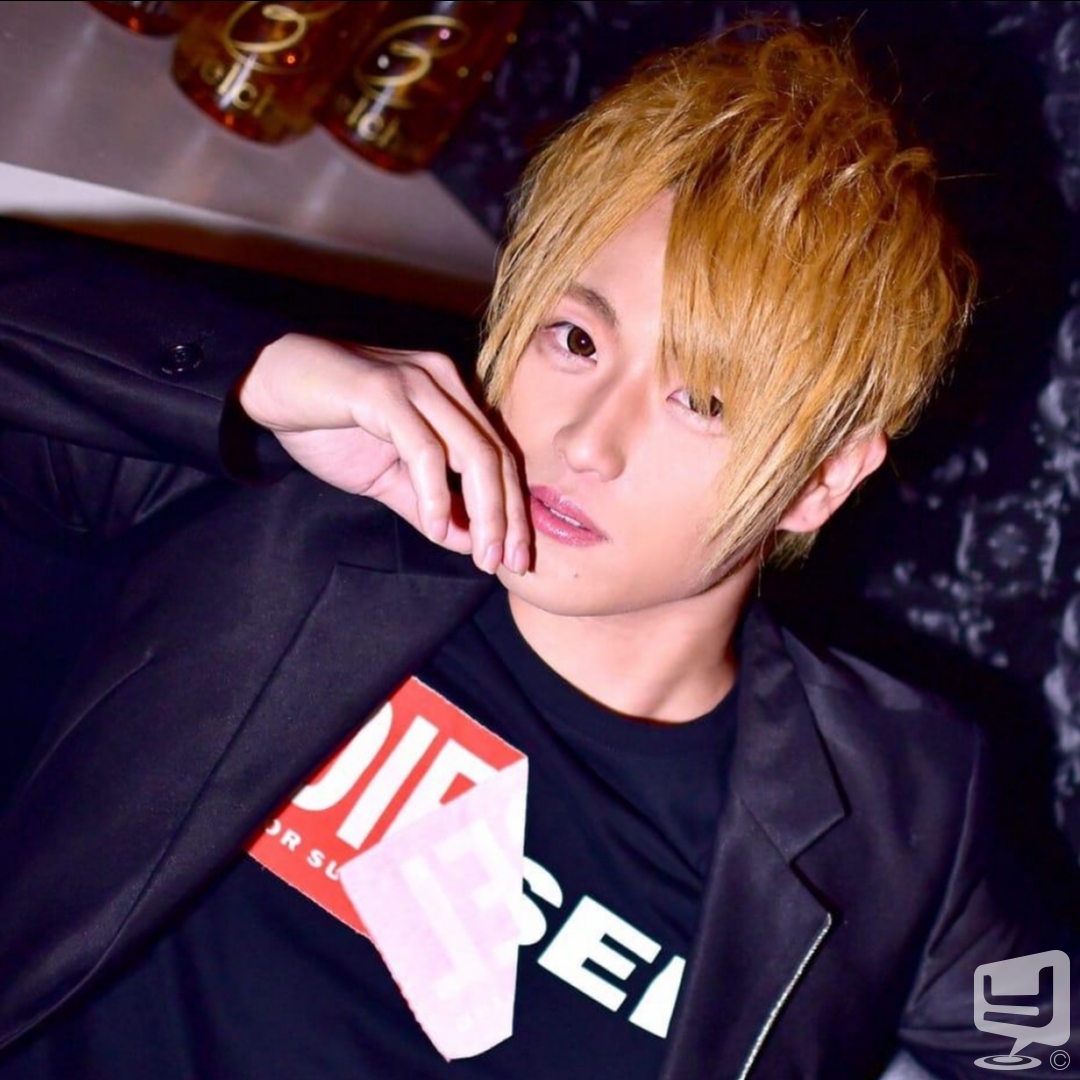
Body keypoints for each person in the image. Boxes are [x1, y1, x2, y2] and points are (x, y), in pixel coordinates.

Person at [0, 22, 1076, 1080]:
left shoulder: (896, 810)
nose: (586, 442)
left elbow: (1048, 1040)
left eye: (702, 401)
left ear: (820, 481)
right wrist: (255, 375)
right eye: (577, 339)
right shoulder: (293, 506)